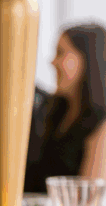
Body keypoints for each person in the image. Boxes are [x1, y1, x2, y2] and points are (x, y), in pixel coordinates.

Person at [25, 23, 106, 194]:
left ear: (87, 59)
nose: (53, 61)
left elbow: (87, 200)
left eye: (60, 53)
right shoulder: (53, 112)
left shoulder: (101, 125)